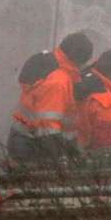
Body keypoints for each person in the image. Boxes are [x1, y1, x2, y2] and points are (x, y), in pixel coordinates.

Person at [7, 32, 93, 162]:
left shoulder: (60, 72)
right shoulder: (58, 82)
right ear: (79, 60)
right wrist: (59, 159)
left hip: (29, 141)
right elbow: (48, 127)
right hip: (33, 147)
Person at [73, 49, 111, 149]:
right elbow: (106, 143)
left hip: (62, 150)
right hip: (83, 157)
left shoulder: (75, 80)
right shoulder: (106, 102)